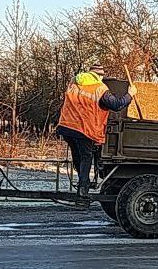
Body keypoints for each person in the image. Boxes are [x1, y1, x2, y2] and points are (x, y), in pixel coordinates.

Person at [56, 65, 134, 201]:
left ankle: (82, 182)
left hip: (66, 126)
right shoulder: (100, 88)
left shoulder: (74, 82)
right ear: (100, 76)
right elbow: (116, 105)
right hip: (84, 129)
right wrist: (130, 95)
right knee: (86, 157)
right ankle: (83, 190)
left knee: (78, 156)